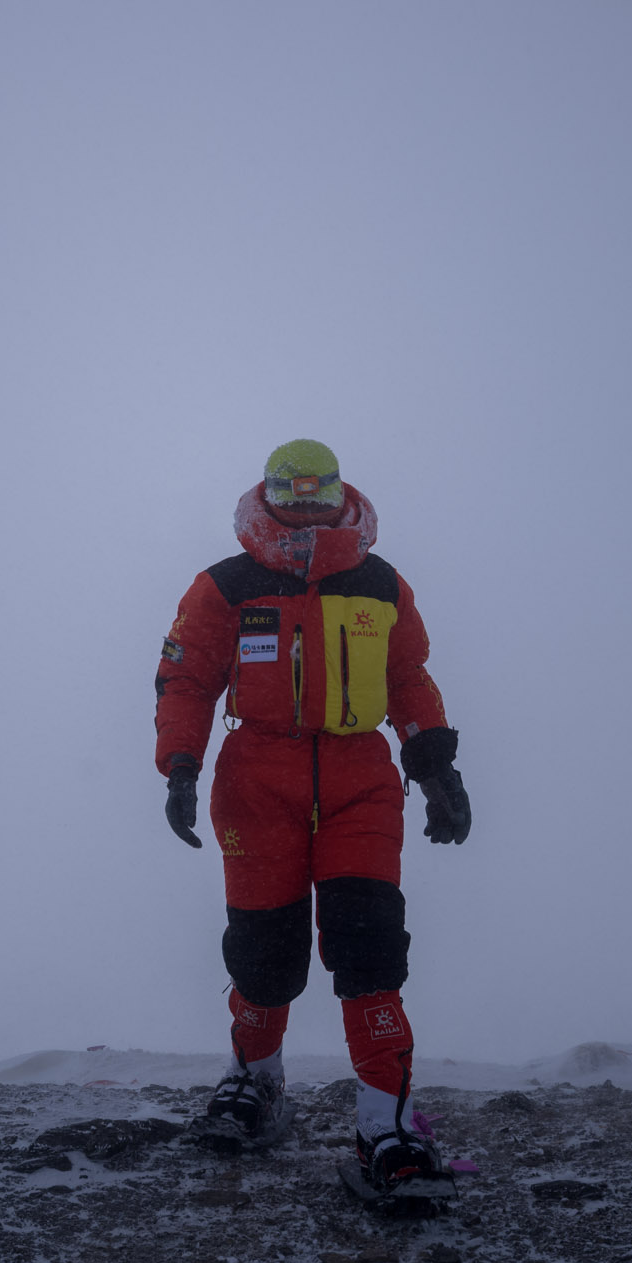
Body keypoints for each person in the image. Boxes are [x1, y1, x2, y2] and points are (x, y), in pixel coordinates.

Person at [153, 439, 472, 1199]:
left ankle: (385, 1127)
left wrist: (436, 768)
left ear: (339, 493)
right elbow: (187, 678)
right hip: (257, 783)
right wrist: (181, 765)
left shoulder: (380, 583)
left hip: (361, 781)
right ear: (267, 494)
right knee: (264, 955)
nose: (302, 504)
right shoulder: (226, 585)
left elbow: (407, 678)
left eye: (315, 490)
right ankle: (255, 1085)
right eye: (287, 492)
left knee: (370, 952)